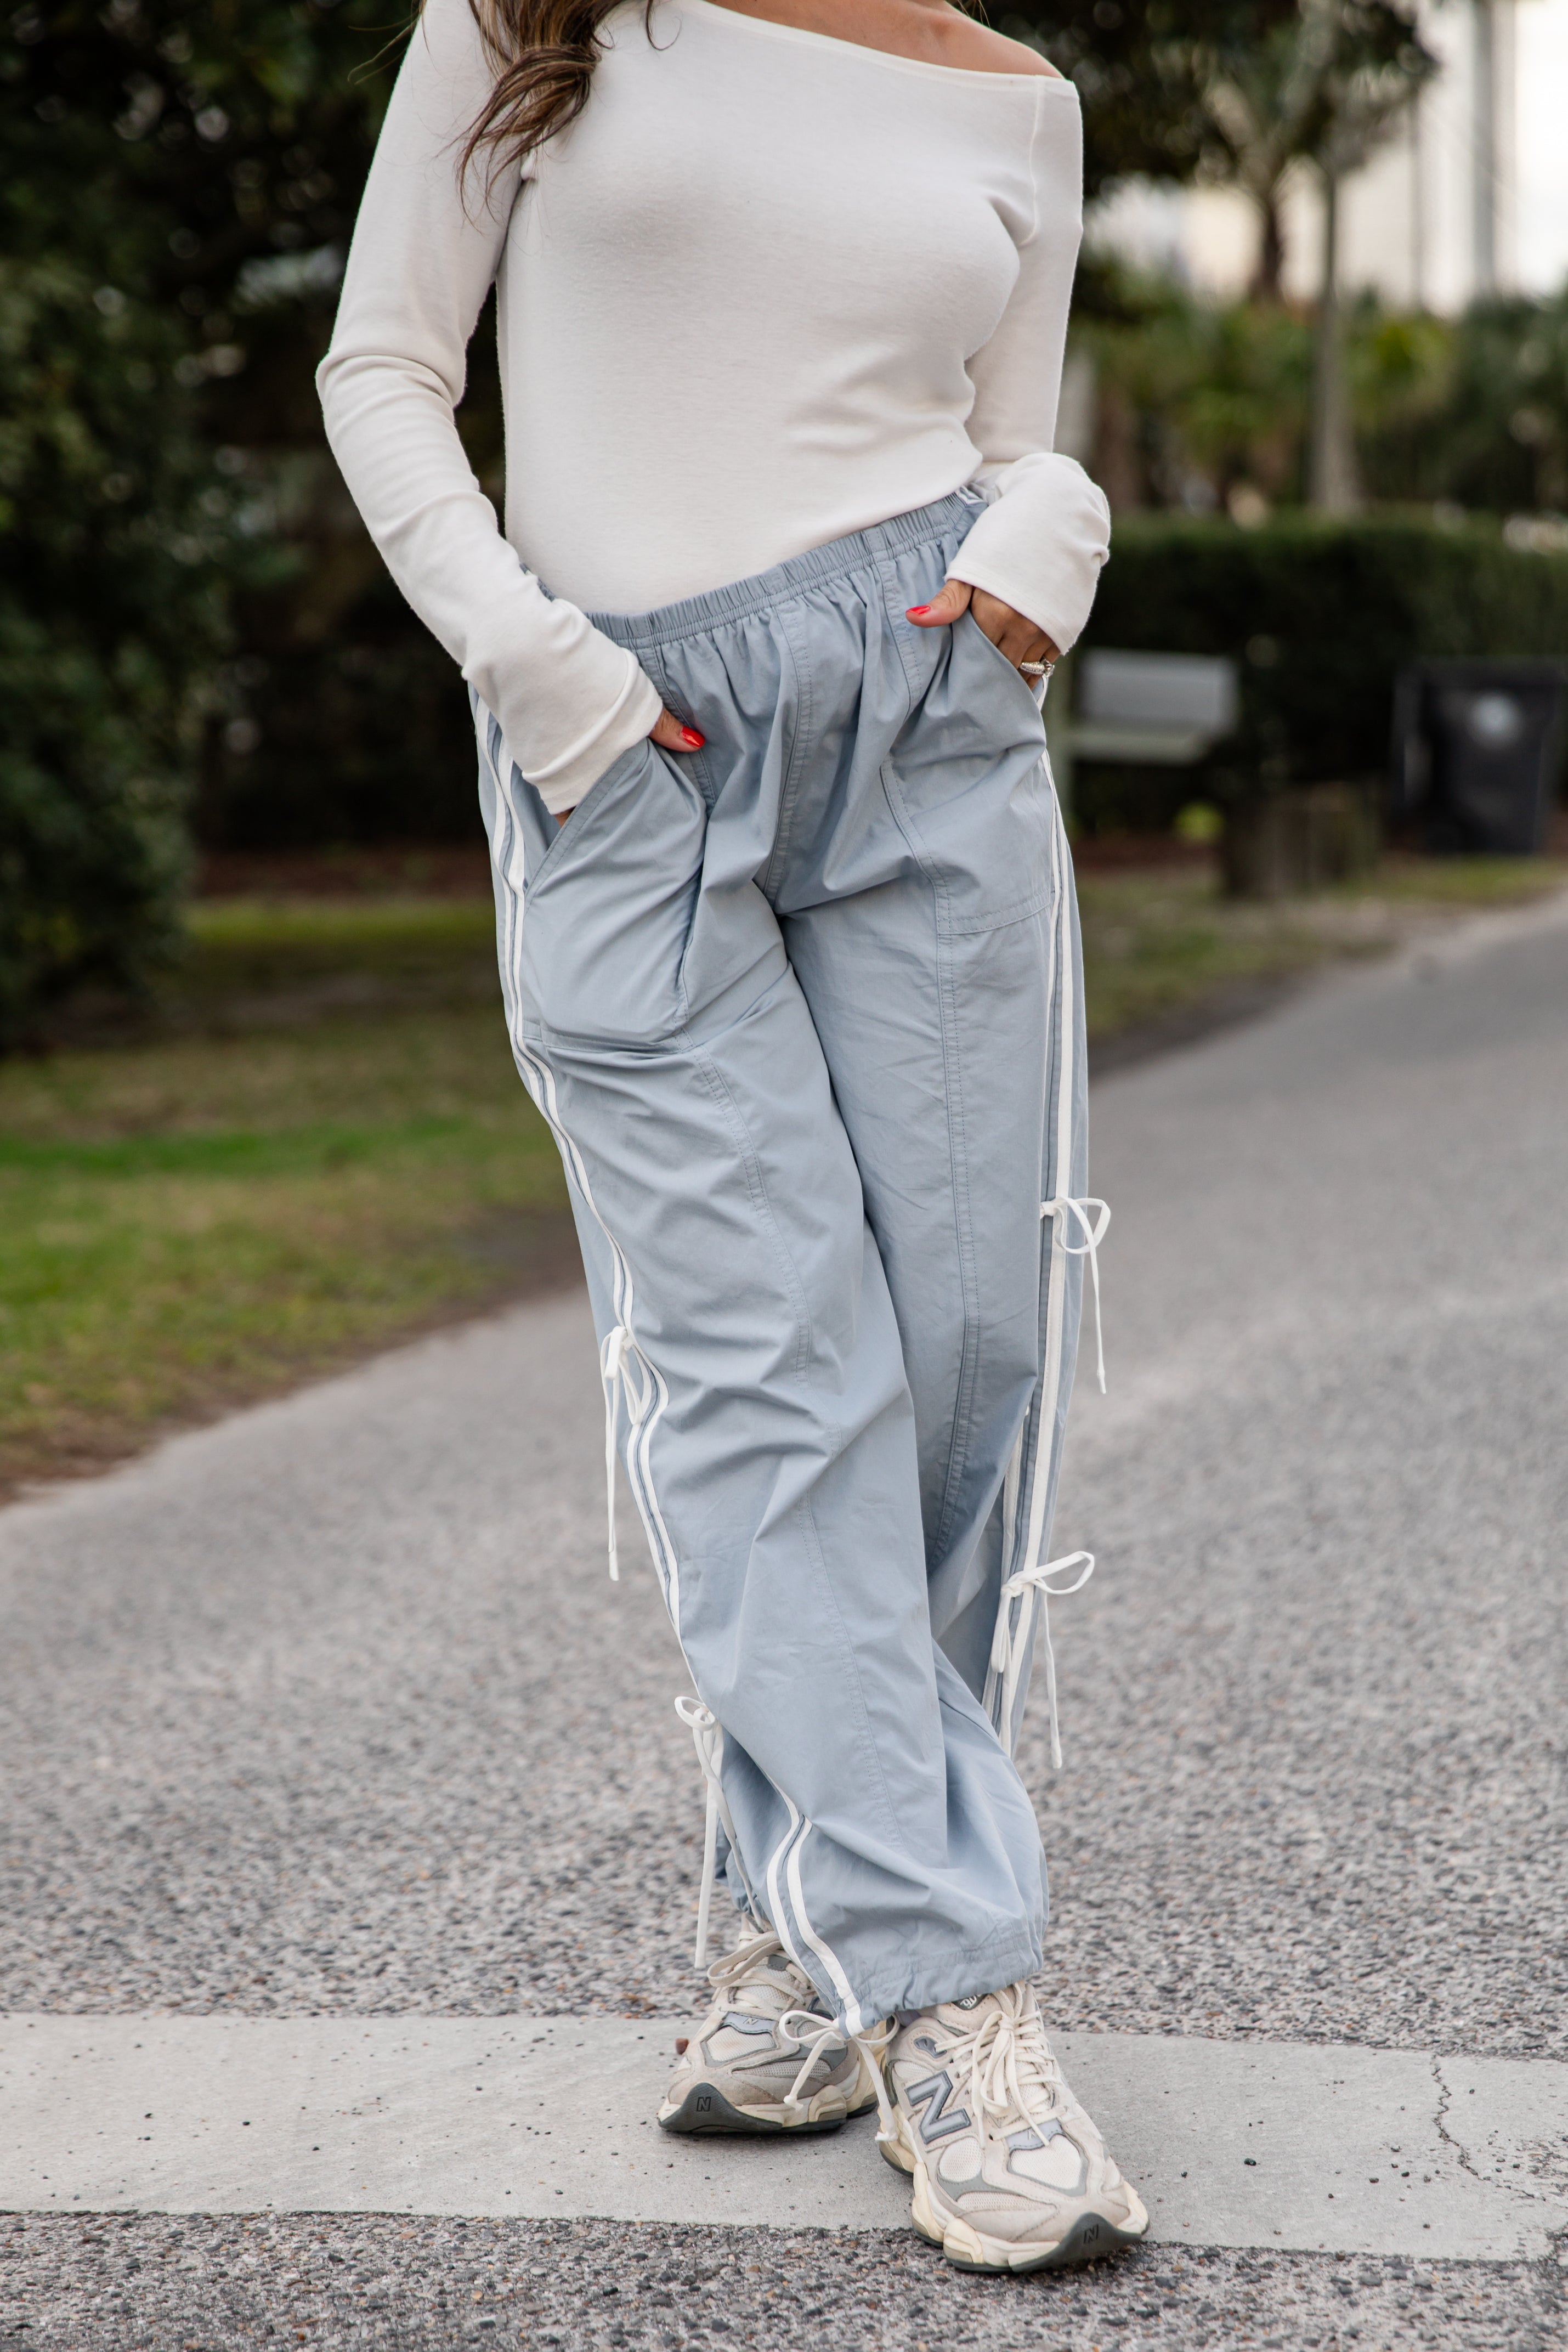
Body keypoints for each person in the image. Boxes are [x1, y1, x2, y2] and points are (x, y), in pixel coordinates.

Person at [319, 0, 1146, 2274]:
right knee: (779, 1363)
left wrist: (1052, 533)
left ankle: (805, 1929)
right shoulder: (541, 15)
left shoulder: (1019, 100)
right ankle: (952, 1999)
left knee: (960, 1361)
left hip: (930, 723)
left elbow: (1009, 439)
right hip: (625, 748)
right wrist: (545, 674)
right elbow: (383, 363)